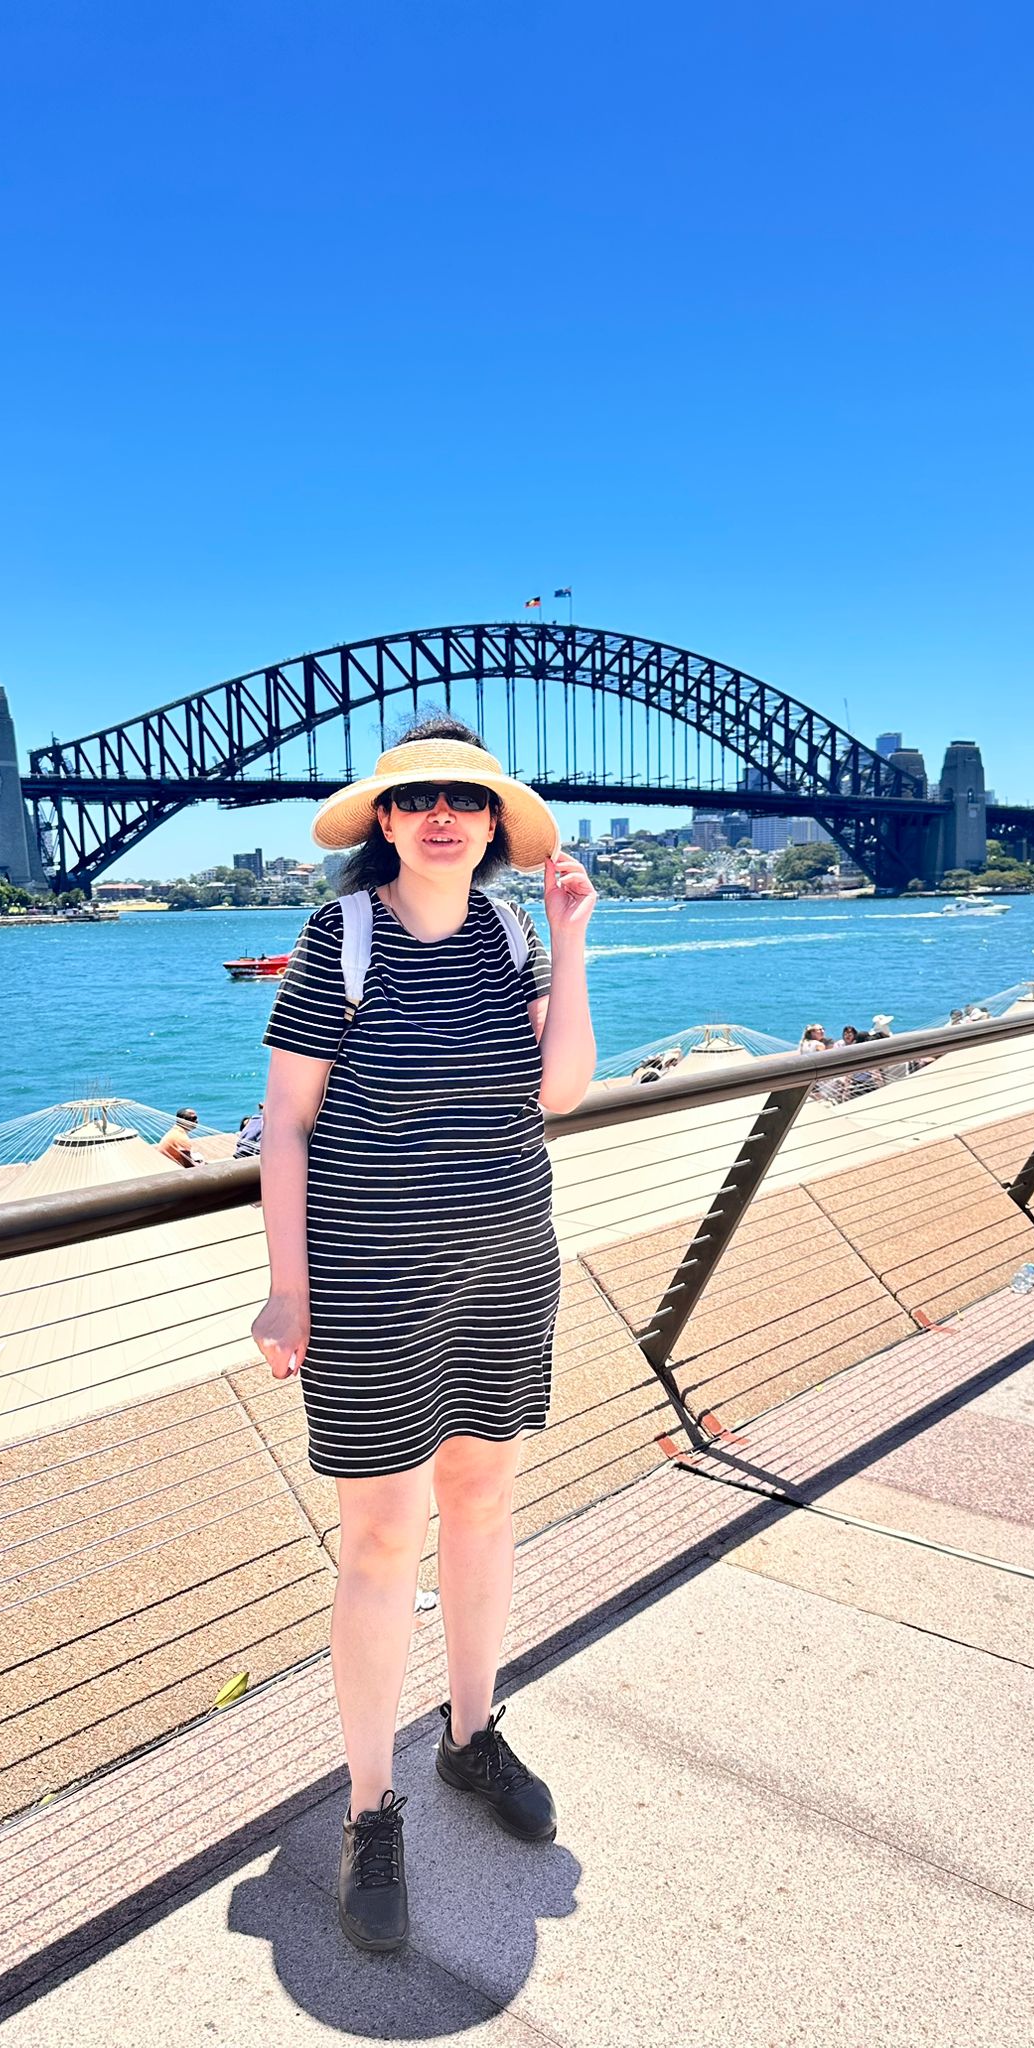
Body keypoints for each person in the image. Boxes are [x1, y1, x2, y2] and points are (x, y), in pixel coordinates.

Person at [252, 715, 596, 1956]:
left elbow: (560, 1091)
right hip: (371, 1283)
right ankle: (368, 1803)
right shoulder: (339, 936)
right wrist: (288, 1288)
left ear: (495, 821)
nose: (441, 813)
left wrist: (569, 940)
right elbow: (284, 1124)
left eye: (466, 795)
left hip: (506, 1263)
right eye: (415, 798)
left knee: (488, 1504)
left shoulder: (514, 934)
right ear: (384, 822)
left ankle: (466, 1736)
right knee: (383, 1536)